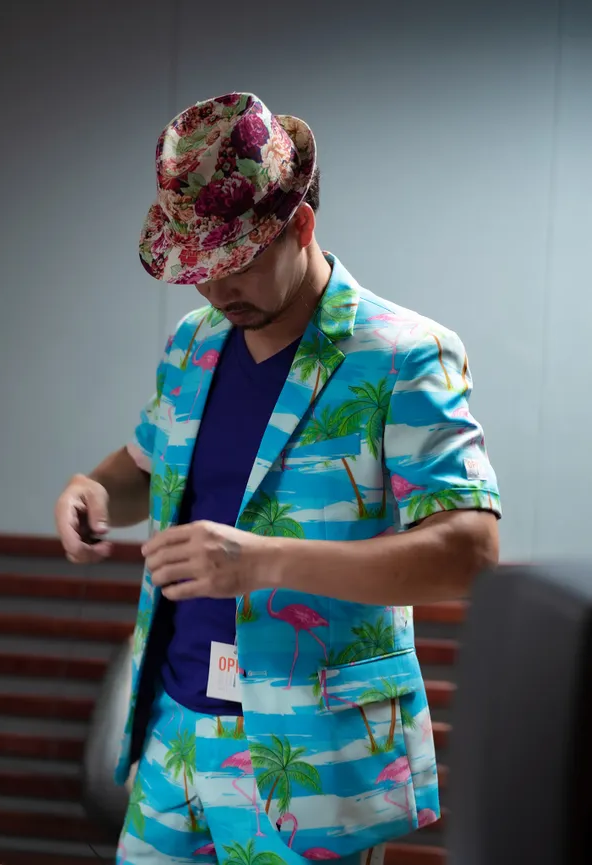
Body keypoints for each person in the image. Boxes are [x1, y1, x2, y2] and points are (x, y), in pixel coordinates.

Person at [55, 92, 501, 865]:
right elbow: (143, 466)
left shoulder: (403, 353)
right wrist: (91, 489)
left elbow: (470, 552)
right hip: (173, 740)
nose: (217, 289)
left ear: (300, 225)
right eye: (200, 270)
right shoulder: (194, 343)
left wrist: (263, 561)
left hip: (315, 763)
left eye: (237, 264)